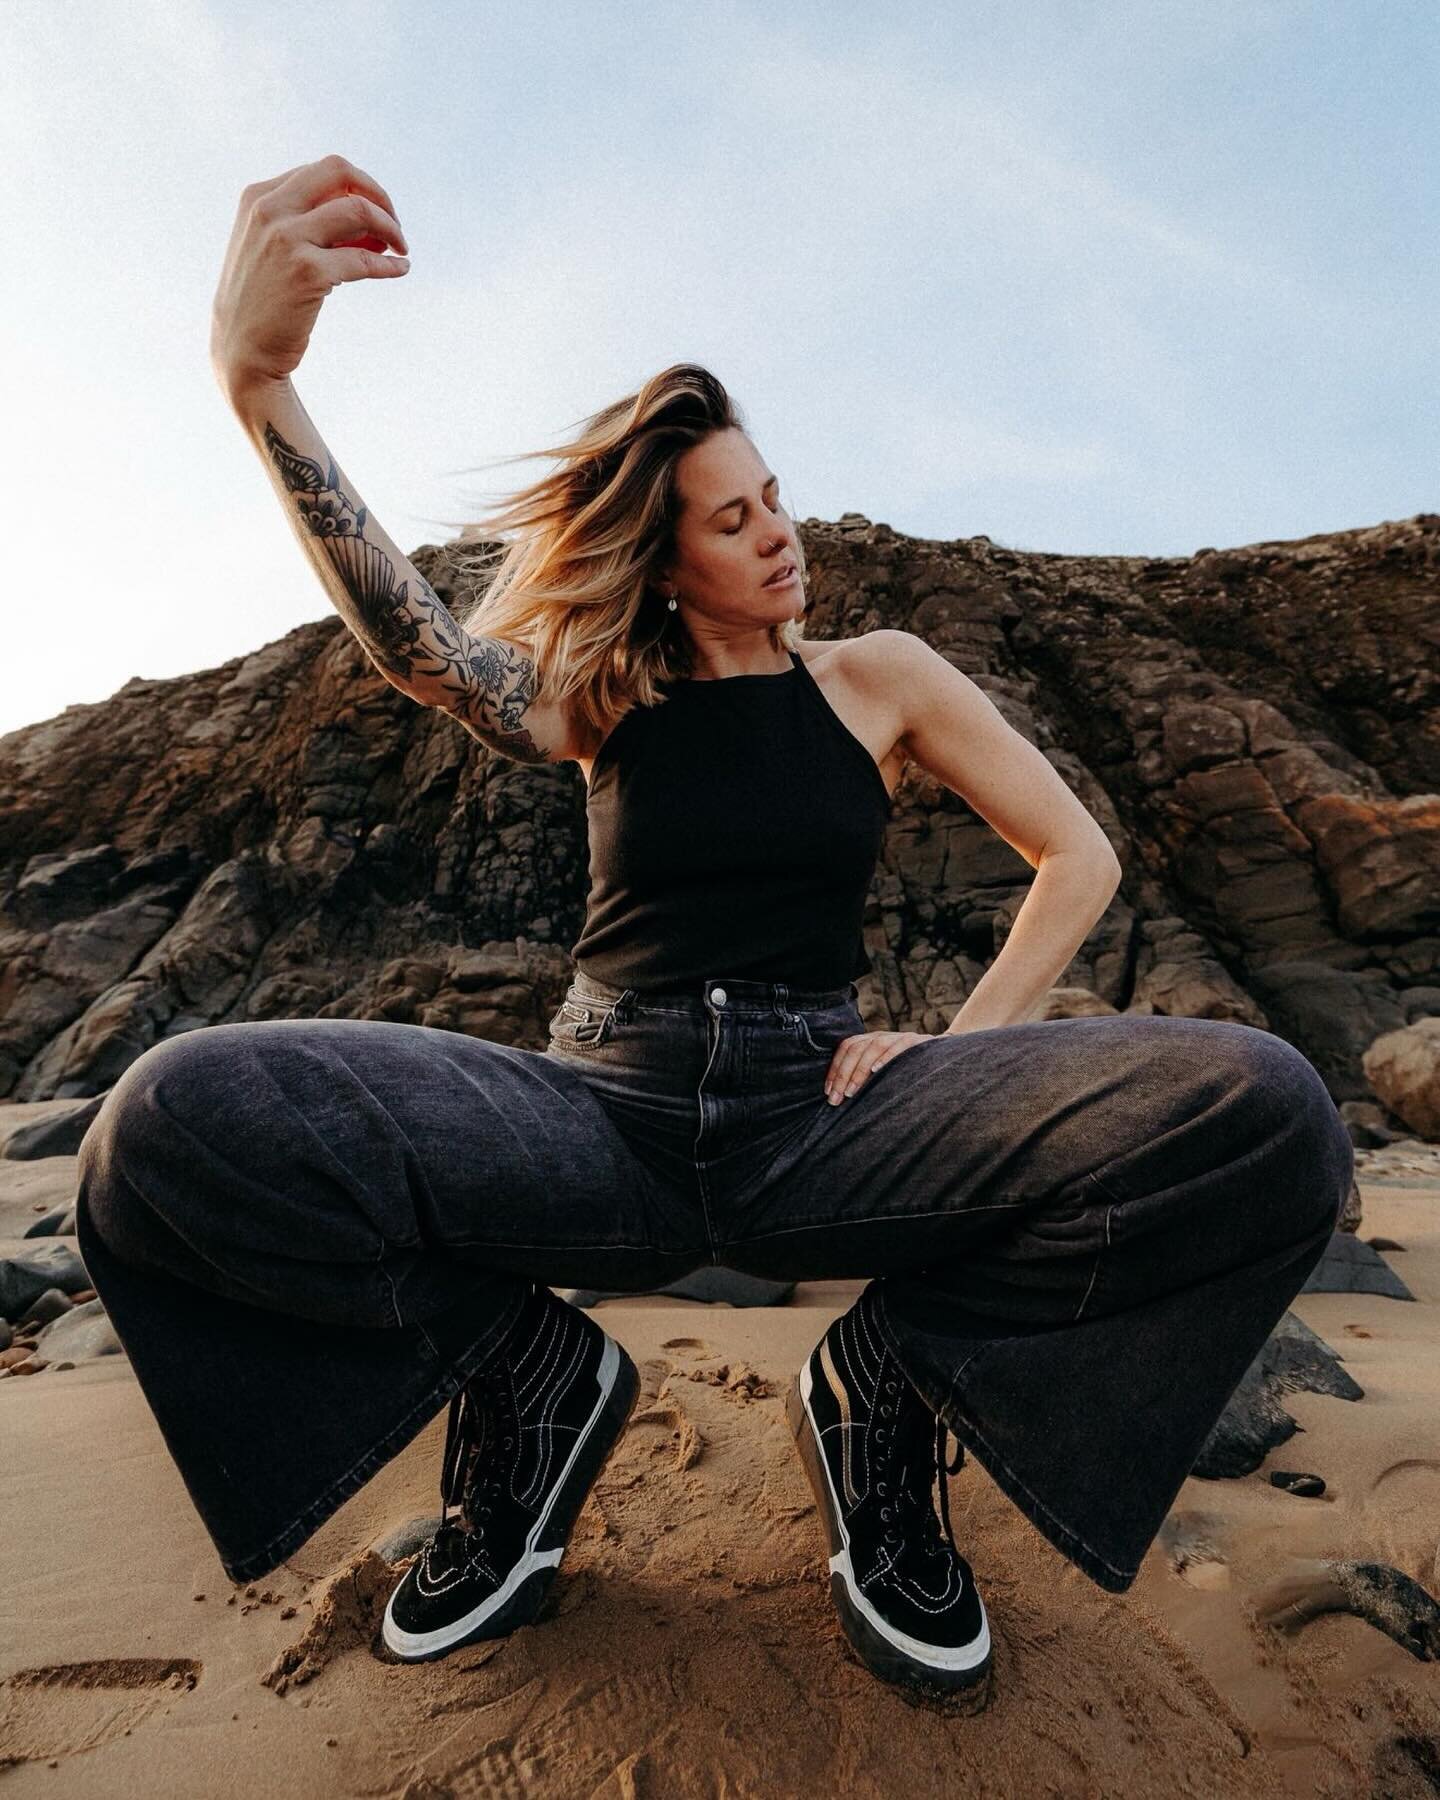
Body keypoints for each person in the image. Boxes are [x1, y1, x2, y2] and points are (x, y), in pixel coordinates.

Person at [76, 155, 1353, 1700]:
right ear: (667, 558)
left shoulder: (877, 674)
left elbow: (1073, 857)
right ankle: (534, 1380)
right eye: (731, 520)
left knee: (1268, 1110)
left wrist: (951, 1055)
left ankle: (890, 1385)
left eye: (774, 502)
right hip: (598, 1116)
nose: (775, 538)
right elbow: (422, 646)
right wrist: (254, 381)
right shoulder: (603, 686)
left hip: (826, 1120)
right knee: (169, 1121)